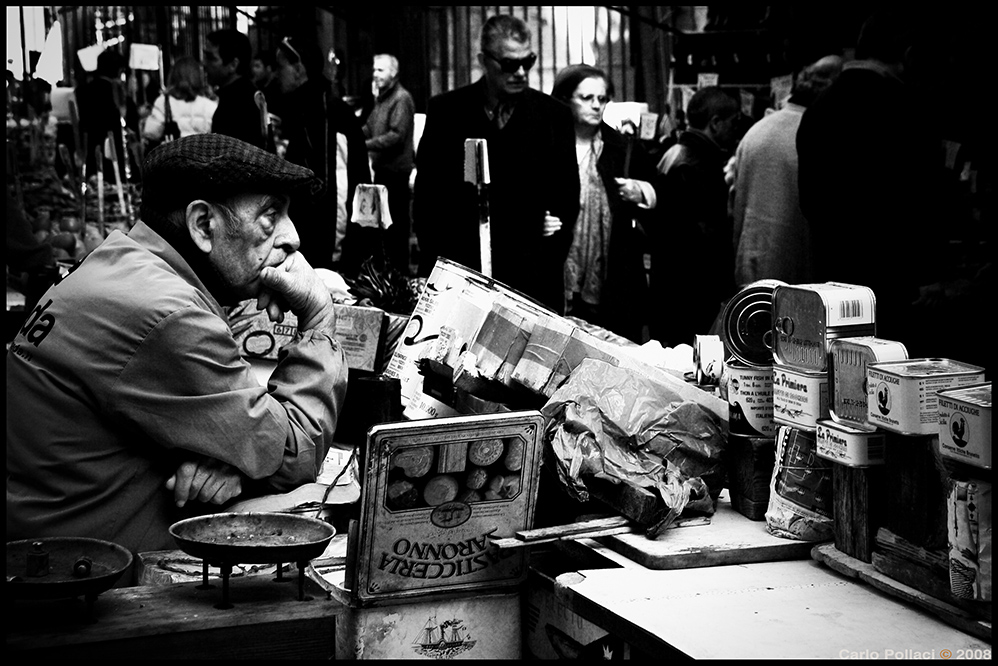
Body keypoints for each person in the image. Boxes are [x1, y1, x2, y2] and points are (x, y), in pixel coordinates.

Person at [7, 134, 349, 566]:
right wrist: (319, 318)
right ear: (203, 225)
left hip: (46, 551)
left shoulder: (119, 261)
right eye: (270, 215)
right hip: (82, 584)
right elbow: (293, 449)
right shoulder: (168, 313)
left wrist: (233, 460)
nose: (292, 238)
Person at [796, 12, 944, 357]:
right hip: (900, 287)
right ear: (908, 55)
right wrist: (931, 274)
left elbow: (810, 203)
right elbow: (924, 201)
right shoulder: (908, 109)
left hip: (836, 283)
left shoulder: (818, 109)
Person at [413, 14, 579, 314]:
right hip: (462, 275)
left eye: (527, 62)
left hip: (533, 281)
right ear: (483, 60)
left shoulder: (554, 117)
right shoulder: (447, 112)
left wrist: (542, 251)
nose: (520, 72)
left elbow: (566, 201)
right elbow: (428, 201)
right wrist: (438, 274)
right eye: (508, 63)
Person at [550, 64, 659, 342]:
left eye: (602, 99)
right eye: (586, 98)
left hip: (614, 280)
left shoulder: (622, 147)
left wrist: (641, 191)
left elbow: (663, 192)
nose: (596, 106)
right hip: (557, 272)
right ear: (564, 99)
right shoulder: (545, 143)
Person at [729, 55, 842, 290]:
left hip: (751, 269)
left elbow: (734, 205)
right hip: (800, 277)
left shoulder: (755, 132)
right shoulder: (820, 135)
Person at [649, 86, 741, 348]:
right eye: (734, 122)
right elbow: (705, 235)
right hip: (692, 291)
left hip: (669, 285)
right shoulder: (700, 164)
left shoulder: (674, 152)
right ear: (715, 123)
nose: (737, 129)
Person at [278, 37, 371, 271]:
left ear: (299, 69)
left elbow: (340, 188)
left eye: (281, 67)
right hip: (310, 240)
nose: (276, 73)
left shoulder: (330, 111)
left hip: (327, 249)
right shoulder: (305, 106)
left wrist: (333, 256)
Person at [363, 53, 416, 276]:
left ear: (393, 73)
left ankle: (399, 274)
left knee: (396, 227)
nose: (375, 74)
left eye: (380, 70)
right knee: (384, 226)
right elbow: (369, 126)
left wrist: (366, 144)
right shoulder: (382, 99)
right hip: (383, 171)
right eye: (374, 69)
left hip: (396, 172)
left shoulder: (401, 98)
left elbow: (397, 135)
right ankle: (388, 273)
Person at [204, 28, 265, 149]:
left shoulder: (238, 103)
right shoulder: (242, 94)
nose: (204, 64)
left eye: (211, 58)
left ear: (233, 65)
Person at [75, 48, 128, 182]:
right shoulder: (117, 93)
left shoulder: (82, 91)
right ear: (118, 70)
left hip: (90, 148)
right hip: (114, 148)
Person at [142, 55, 218, 145]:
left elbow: (151, 133)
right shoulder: (210, 106)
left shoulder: (163, 102)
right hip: (202, 157)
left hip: (174, 156)